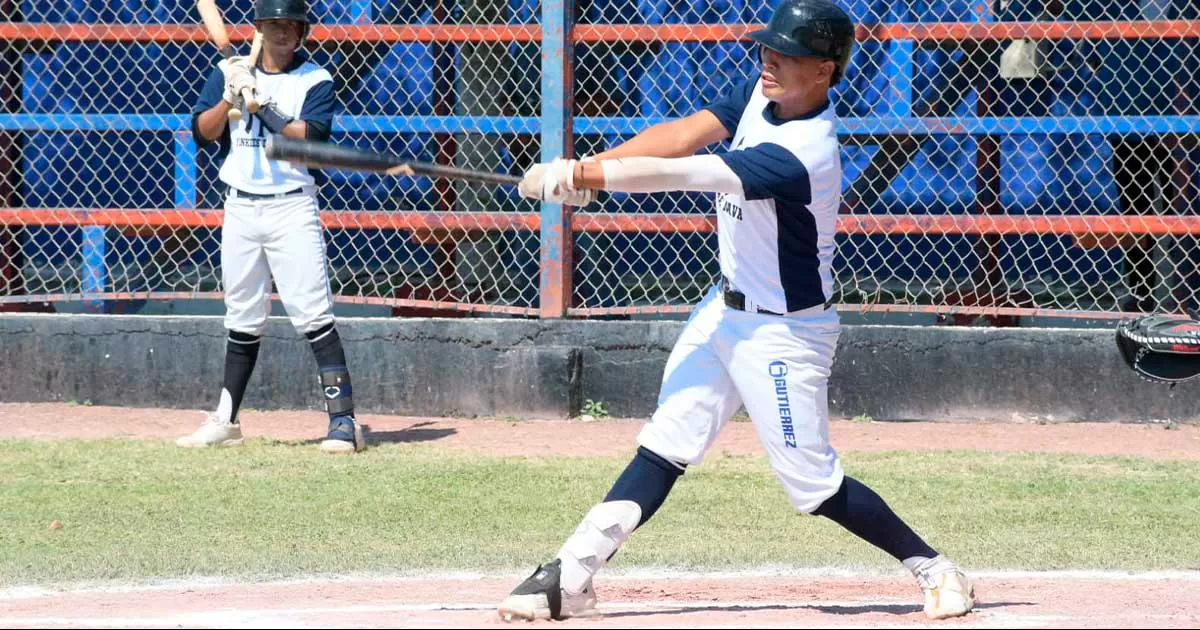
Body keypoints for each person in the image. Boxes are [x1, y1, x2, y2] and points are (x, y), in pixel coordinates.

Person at [498, 0, 975, 621]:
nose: (770, 62)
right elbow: (682, 134)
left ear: (825, 71)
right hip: (723, 309)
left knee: (813, 486)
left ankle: (936, 569)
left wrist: (587, 176)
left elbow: (696, 171)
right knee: (665, 443)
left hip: (784, 332)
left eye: (789, 55)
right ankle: (570, 574)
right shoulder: (760, 95)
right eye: (768, 50)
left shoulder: (805, 151)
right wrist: (592, 169)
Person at [177, 0, 365, 454]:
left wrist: (263, 107)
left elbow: (310, 137)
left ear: (302, 32)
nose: (282, 34)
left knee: (313, 314)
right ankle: (226, 420)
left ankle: (344, 423)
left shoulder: (315, 79)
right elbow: (202, 132)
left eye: (291, 27)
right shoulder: (232, 72)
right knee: (241, 317)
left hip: (291, 208)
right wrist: (231, 95)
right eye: (274, 26)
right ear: (259, 28)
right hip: (240, 207)